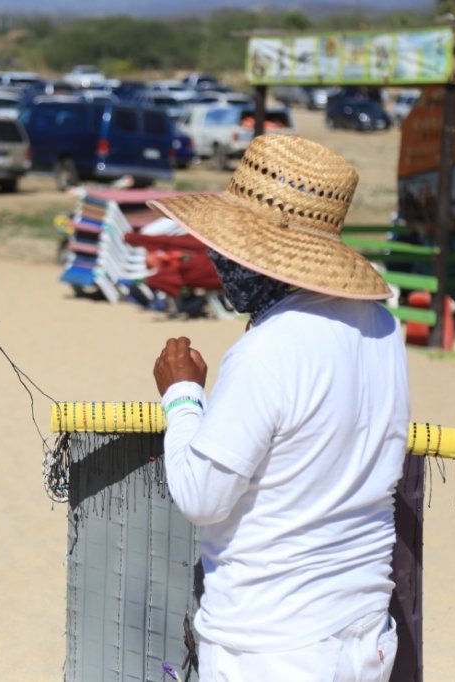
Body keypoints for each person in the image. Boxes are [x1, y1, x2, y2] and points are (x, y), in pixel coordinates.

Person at [148, 134, 410, 681]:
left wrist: (182, 395)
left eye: (226, 248)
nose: (216, 260)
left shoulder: (270, 348)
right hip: (362, 627)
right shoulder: (382, 326)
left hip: (273, 640)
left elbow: (202, 495)